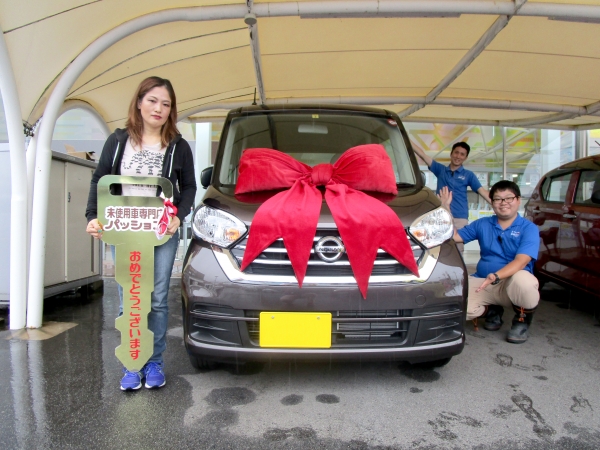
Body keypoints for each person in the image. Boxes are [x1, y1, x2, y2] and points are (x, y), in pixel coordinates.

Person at [85, 76, 196, 390]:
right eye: (152, 101)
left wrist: (179, 217)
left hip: (160, 232)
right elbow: (99, 179)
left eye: (166, 104)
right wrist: (93, 216)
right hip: (125, 231)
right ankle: (132, 364)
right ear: (139, 102)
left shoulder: (178, 146)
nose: (159, 109)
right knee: (130, 299)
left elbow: (189, 187)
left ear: (171, 110)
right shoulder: (118, 141)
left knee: (157, 299)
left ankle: (154, 362)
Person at [439, 180, 540, 343]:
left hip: (511, 285)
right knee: (455, 304)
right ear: (492, 202)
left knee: (525, 282)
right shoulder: (483, 223)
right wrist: (445, 207)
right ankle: (491, 310)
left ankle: (522, 320)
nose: (503, 203)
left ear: (518, 200)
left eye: (509, 198)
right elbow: (455, 236)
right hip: (483, 282)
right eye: (498, 199)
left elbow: (522, 261)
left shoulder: (529, 228)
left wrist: (496, 276)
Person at [413, 142, 491, 234]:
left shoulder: (468, 175)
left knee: (458, 242)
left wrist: (498, 205)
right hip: (441, 215)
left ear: (465, 158)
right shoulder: (440, 170)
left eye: (462, 154)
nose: (458, 156)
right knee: (440, 242)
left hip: (460, 217)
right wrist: (404, 136)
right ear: (451, 153)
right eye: (456, 152)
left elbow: (482, 192)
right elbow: (422, 154)